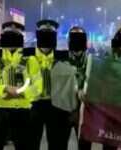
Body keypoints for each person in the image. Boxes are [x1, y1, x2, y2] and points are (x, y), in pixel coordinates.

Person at [0, 21, 42, 150]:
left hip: (22, 113)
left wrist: (21, 92)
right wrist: (4, 89)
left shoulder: (30, 59)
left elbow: (38, 86)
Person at [30, 19, 68, 150]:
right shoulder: (27, 56)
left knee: (56, 143)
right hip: (33, 105)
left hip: (55, 106)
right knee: (31, 142)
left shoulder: (63, 57)